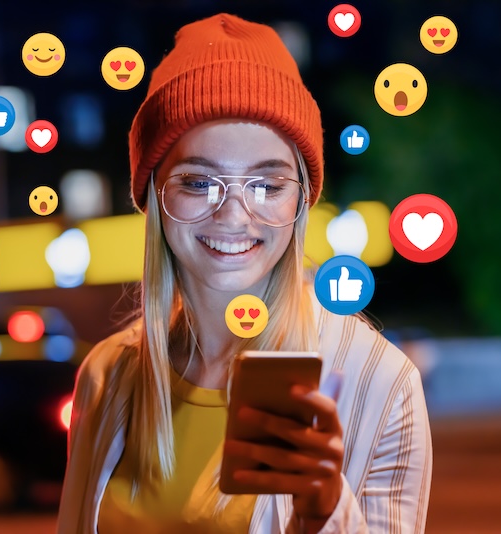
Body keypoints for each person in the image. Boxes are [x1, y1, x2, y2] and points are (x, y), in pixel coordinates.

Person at [57, 12, 432, 534]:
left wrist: (324, 516)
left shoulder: (382, 384)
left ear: (300, 200)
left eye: (267, 185)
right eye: (197, 182)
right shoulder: (108, 376)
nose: (234, 216)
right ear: (154, 200)